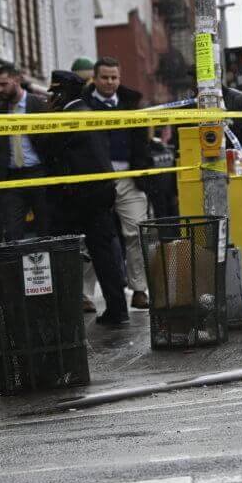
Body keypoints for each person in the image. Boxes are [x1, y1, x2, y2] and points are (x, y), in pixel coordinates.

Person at [39, 71, 129, 326]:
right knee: (104, 255)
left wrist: (45, 119)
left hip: (76, 197)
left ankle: (62, 311)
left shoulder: (67, 117)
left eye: (55, 94)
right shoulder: (88, 111)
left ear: (62, 94)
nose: (52, 99)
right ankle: (117, 309)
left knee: (61, 250)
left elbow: (46, 147)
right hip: (100, 192)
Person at [84, 57, 153, 310]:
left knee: (136, 231)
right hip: (94, 180)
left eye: (114, 77)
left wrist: (143, 172)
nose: (110, 82)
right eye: (105, 77)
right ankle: (85, 295)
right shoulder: (83, 105)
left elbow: (142, 143)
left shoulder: (131, 104)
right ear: (95, 78)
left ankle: (139, 290)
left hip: (129, 179)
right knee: (91, 236)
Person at [0, 62, 52, 241]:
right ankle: (17, 269)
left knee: (47, 230)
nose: (0, 89)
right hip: (12, 178)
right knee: (12, 234)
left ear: (17, 80)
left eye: (3, 84)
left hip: (39, 174)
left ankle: (48, 268)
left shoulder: (38, 105)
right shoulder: (1, 109)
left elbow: (51, 142)